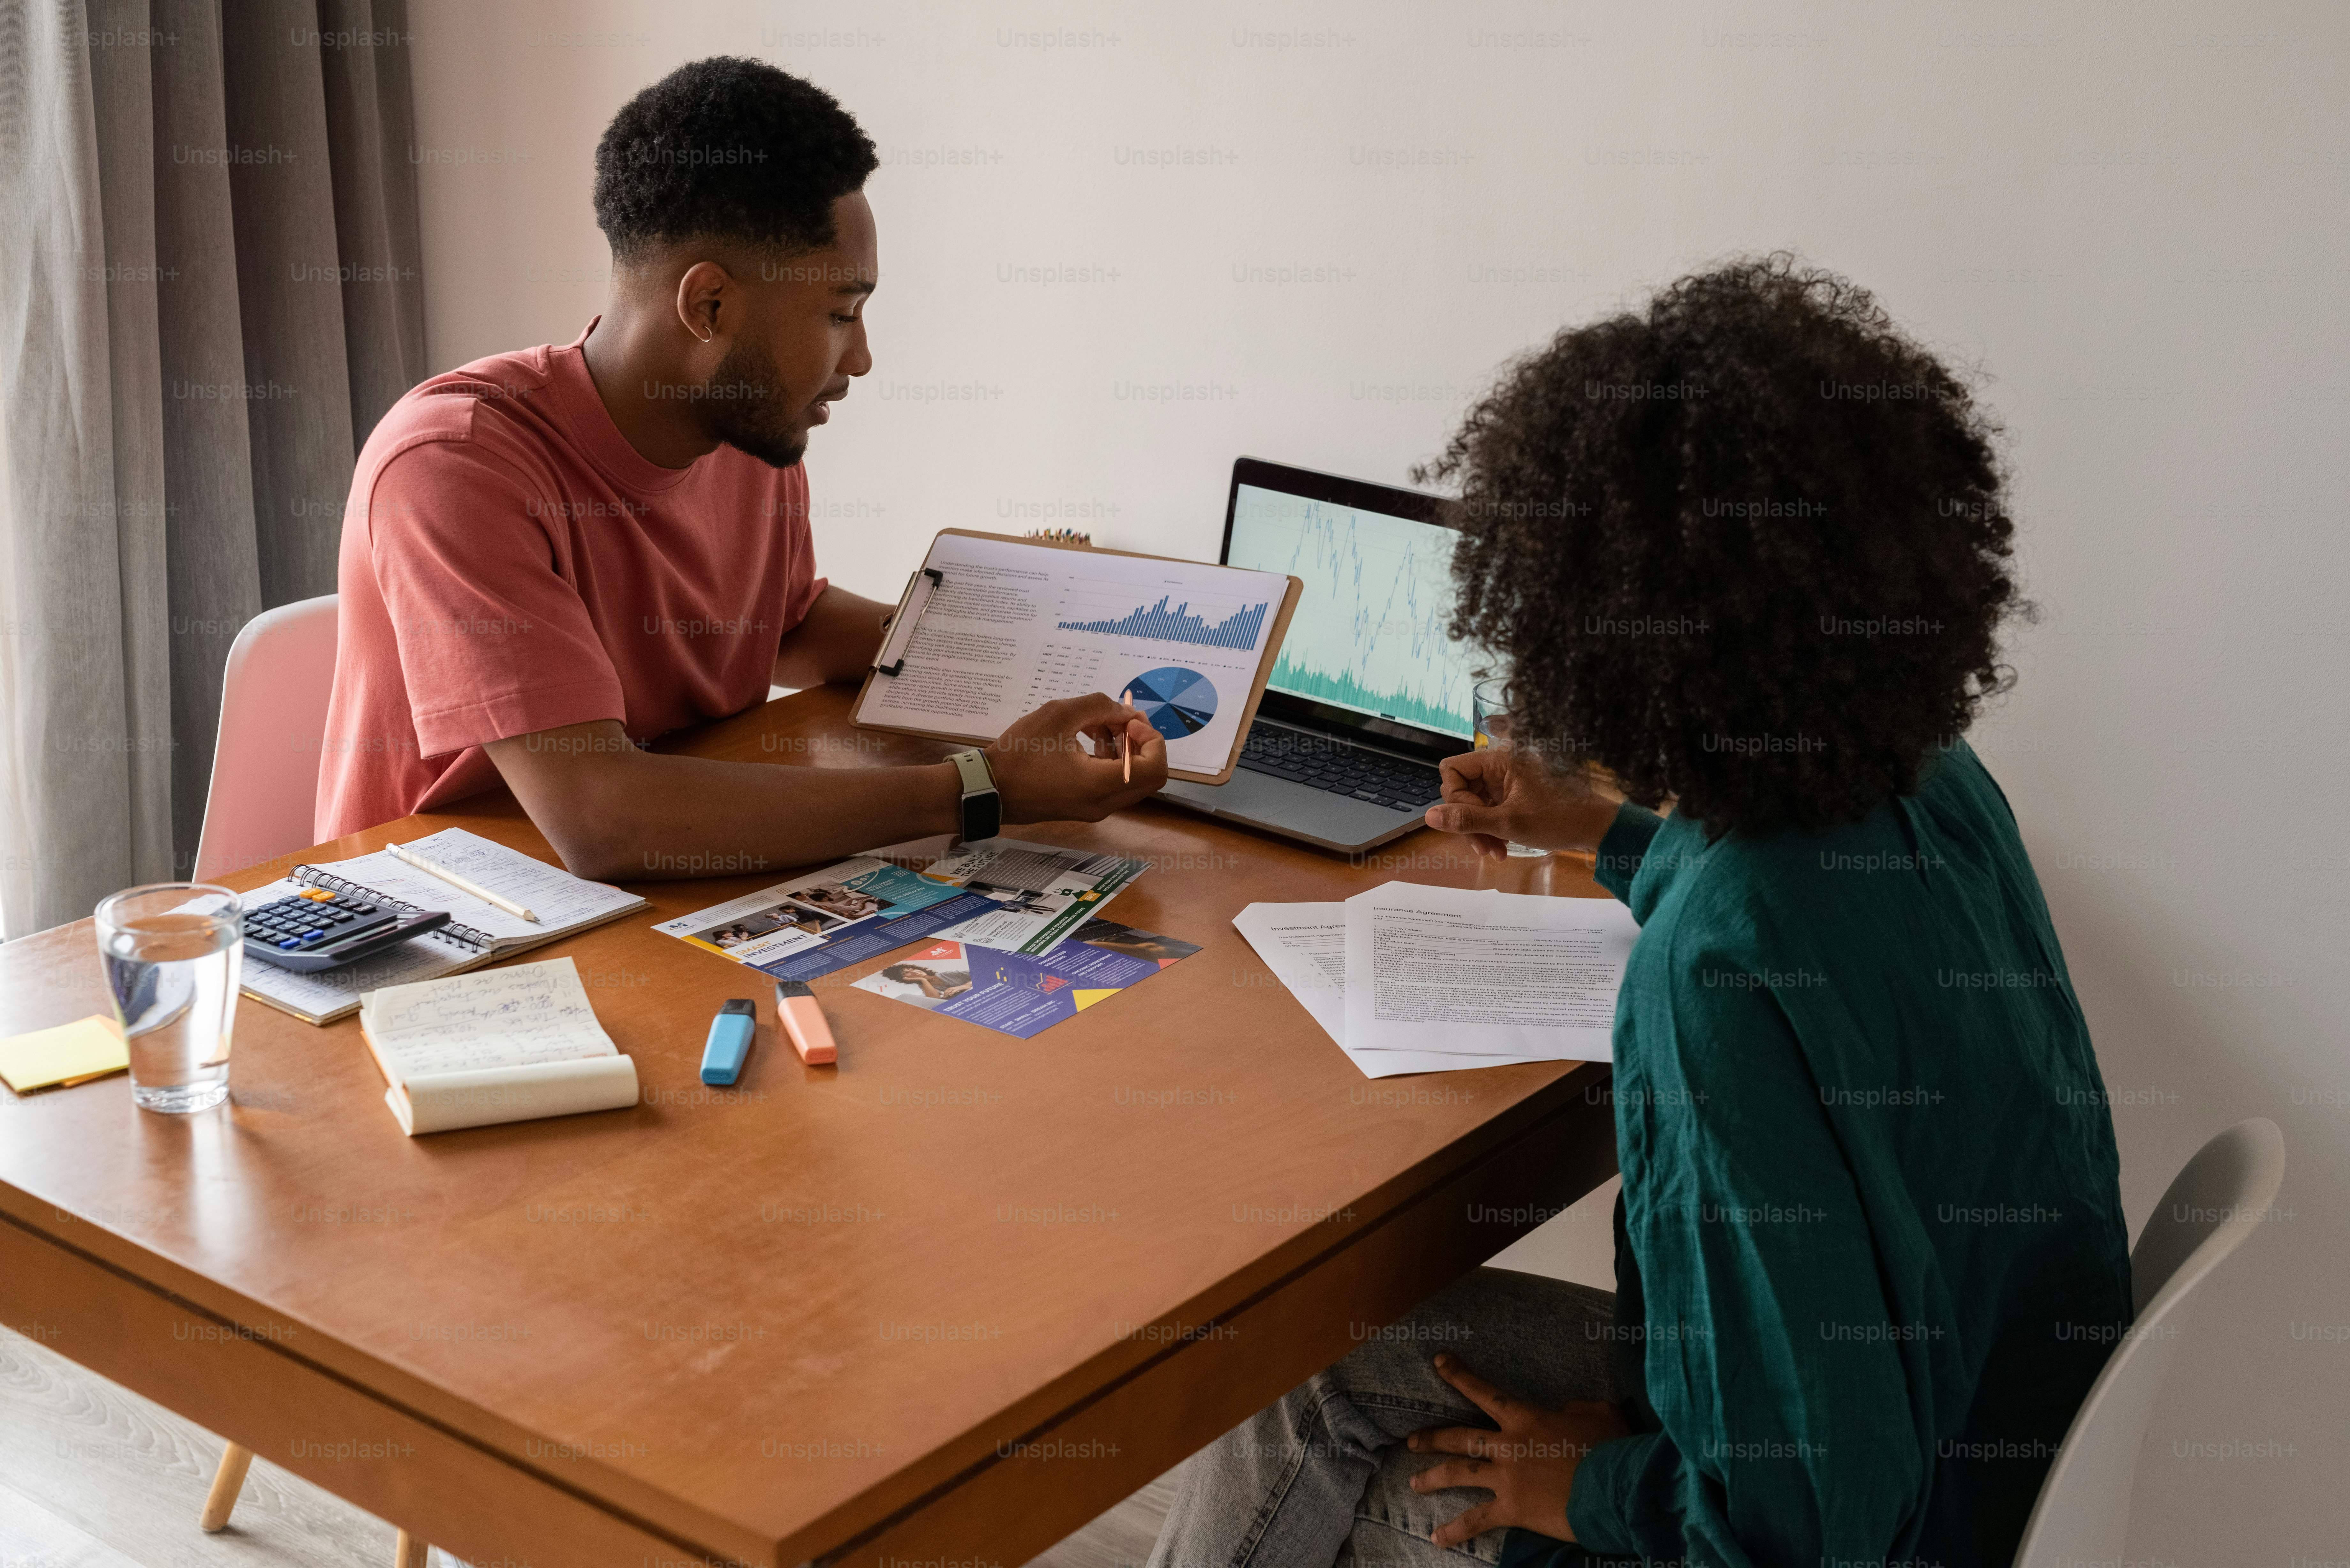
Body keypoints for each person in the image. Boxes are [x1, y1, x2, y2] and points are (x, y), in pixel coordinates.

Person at [1146, 257, 2131, 1568]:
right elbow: (1785, 913)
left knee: (1284, 1362)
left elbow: (1794, 1529)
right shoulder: (1938, 787)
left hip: (1859, 1523)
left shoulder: (1707, 975)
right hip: (1992, 1439)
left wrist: (1595, 1491)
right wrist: (1606, 831)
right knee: (1334, 1363)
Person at [315, 58, 1164, 875]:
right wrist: (983, 790)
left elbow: (785, 627)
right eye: (841, 312)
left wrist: (1041, 654)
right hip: (442, 932)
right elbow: (603, 819)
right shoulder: (454, 467)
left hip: (652, 905)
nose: (862, 357)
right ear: (709, 305)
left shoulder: (743, 426)